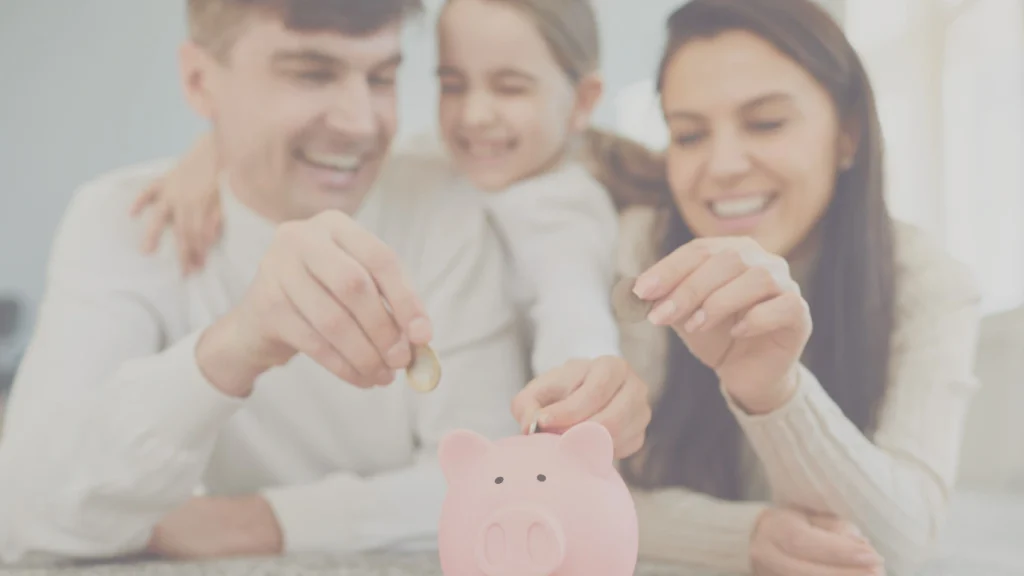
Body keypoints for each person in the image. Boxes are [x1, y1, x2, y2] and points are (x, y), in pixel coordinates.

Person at [0, 0, 651, 565]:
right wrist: (234, 344)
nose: (361, 122)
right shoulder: (130, 219)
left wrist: (247, 522)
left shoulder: (453, 205)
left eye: (383, 76)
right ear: (201, 81)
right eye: (312, 73)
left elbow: (486, 481)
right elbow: (21, 517)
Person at [585, 0, 981, 574]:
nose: (721, 165)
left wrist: (775, 389)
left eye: (766, 123)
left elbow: (898, 542)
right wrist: (747, 536)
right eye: (689, 134)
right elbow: (586, 486)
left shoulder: (928, 283)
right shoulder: (640, 256)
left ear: (848, 134)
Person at [134, 0, 624, 390]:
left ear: (582, 103)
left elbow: (574, 312)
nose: (475, 115)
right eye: (452, 85)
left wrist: (580, 388)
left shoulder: (565, 209)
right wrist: (208, 154)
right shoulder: (444, 161)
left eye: (511, 88)